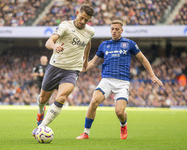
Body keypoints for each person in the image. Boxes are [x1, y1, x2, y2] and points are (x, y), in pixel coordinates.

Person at [76, 20, 164, 140]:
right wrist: (81, 69)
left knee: (119, 112)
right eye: (112, 29)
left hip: (122, 82)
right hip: (106, 80)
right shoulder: (104, 45)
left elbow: (143, 59)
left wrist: (152, 75)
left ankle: (123, 124)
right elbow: (93, 62)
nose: (114, 31)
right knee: (94, 101)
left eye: (117, 29)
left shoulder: (129, 44)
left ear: (121, 30)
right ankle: (86, 133)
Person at [31, 4, 95, 137]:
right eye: (81, 18)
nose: (83, 22)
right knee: (43, 99)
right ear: (77, 13)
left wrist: (85, 59)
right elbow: (49, 42)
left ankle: (41, 127)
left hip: (72, 70)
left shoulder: (90, 31)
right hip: (55, 67)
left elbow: (88, 42)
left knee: (61, 97)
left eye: (86, 20)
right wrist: (54, 46)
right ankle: (40, 110)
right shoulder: (65, 26)